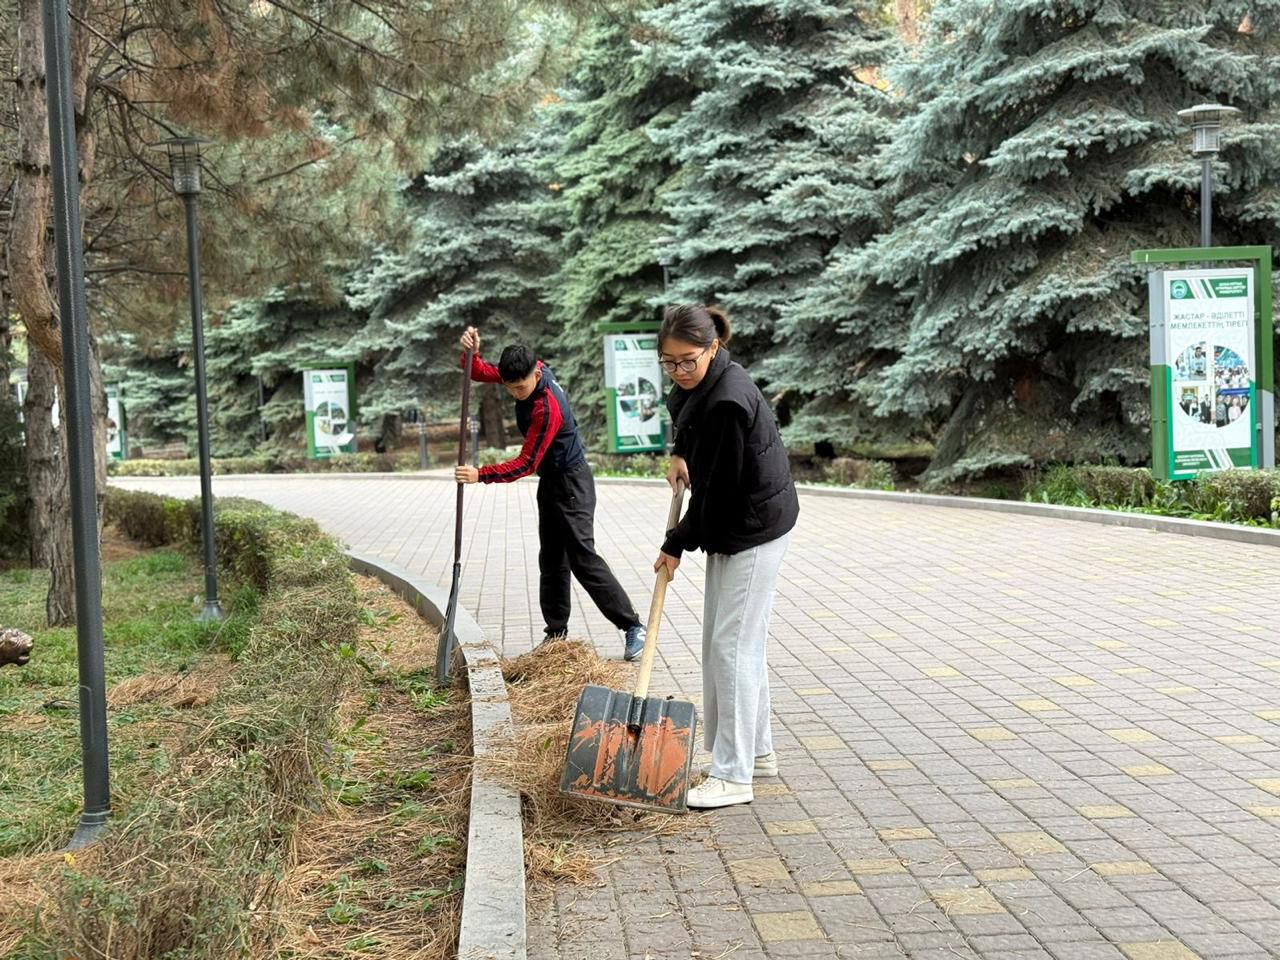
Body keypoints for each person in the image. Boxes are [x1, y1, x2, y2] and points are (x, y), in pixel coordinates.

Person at [652, 305, 800, 809]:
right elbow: (686, 419)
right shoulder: (703, 385)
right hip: (735, 525)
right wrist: (678, 453)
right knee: (734, 642)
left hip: (752, 527)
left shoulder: (729, 402)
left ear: (713, 348)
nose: (678, 372)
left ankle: (733, 775)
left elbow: (716, 496)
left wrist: (675, 544)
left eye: (687, 361)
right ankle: (755, 753)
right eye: (668, 363)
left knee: (730, 648)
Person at [453, 327, 646, 659]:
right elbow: (479, 371)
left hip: (572, 483)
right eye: (510, 387)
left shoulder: (546, 407)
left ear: (537, 373)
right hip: (552, 483)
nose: (516, 393)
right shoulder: (523, 370)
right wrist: (471, 351)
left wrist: (479, 474)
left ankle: (633, 626)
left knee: (583, 559)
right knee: (552, 560)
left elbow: (525, 463)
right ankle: (556, 634)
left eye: (521, 387)